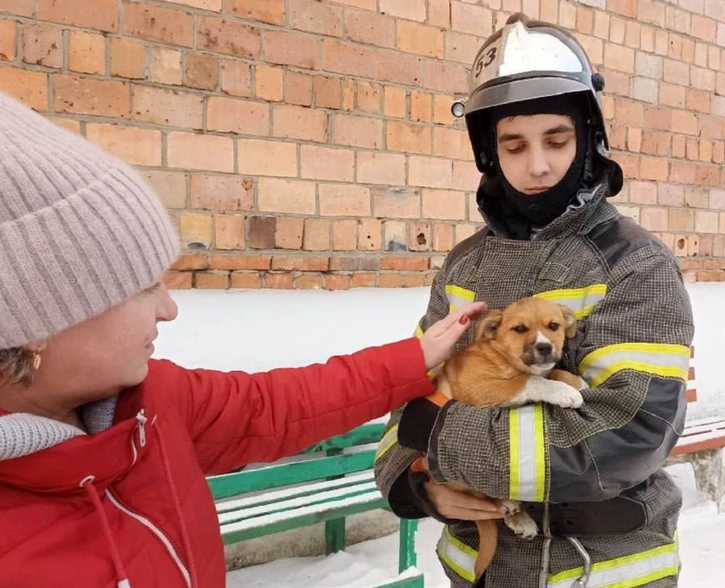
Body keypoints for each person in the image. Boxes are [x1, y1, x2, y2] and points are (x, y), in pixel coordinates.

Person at [0, 91, 487, 588]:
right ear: (37, 323)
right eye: (144, 286)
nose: (169, 309)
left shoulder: (154, 404)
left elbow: (281, 404)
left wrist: (416, 358)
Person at [373, 13, 695, 588]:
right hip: (482, 570)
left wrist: (439, 442)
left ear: (589, 137)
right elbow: (411, 398)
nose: (538, 164)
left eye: (557, 139)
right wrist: (418, 481)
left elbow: (629, 434)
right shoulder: (463, 265)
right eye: (514, 144)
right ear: (490, 152)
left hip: (602, 570)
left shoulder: (634, 262)